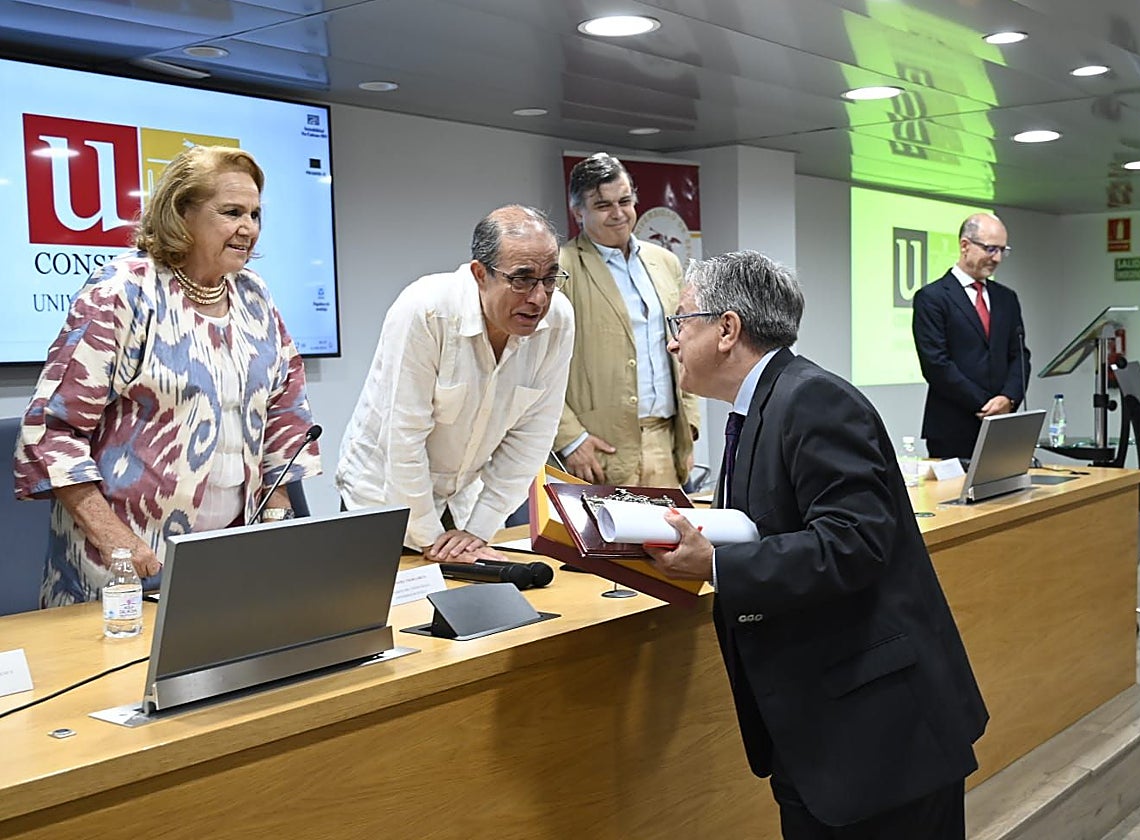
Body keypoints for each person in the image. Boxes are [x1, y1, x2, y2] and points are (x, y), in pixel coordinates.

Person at [646, 251, 987, 839]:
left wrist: (718, 564)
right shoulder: (762, 407)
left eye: (681, 322)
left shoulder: (812, 400)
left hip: (880, 732)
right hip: (820, 730)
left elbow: (853, 541)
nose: (673, 343)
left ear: (727, 330)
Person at [13, 145, 321, 607]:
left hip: (232, 565)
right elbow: (51, 432)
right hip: (124, 568)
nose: (248, 229)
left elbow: (285, 414)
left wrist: (275, 529)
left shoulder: (256, 296)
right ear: (182, 214)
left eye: (255, 214)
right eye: (231, 212)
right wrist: (117, 542)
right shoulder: (123, 291)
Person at [337, 205, 574, 563]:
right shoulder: (425, 311)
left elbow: (532, 439)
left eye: (550, 279)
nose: (538, 298)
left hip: (461, 505)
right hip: (381, 502)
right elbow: (403, 438)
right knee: (392, 616)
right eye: (522, 279)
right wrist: (431, 539)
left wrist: (477, 533)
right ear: (480, 274)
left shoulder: (557, 321)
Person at [555, 153, 700, 487]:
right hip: (599, 451)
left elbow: (686, 343)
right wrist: (570, 439)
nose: (618, 214)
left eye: (625, 201)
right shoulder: (561, 270)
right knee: (605, 541)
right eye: (603, 205)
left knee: (670, 539)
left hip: (666, 441)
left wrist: (688, 427)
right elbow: (535, 367)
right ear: (579, 212)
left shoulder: (665, 262)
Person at [912, 212, 1032, 460]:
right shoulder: (933, 297)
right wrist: (987, 405)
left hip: (1001, 426)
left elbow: (1019, 354)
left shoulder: (1006, 298)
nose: (997, 258)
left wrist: (1008, 399)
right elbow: (936, 364)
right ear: (965, 245)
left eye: (1002, 250)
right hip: (952, 427)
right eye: (990, 249)